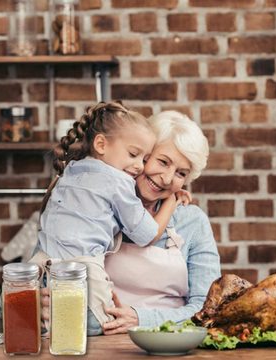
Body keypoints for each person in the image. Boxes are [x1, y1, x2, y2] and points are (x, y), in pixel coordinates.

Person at [38, 109, 221, 335]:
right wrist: (36, 304)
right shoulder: (87, 206)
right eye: (162, 161)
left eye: (181, 173)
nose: (166, 178)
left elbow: (209, 310)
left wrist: (142, 319)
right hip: (95, 344)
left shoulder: (192, 222)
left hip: (167, 344)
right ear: (142, 154)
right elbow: (41, 265)